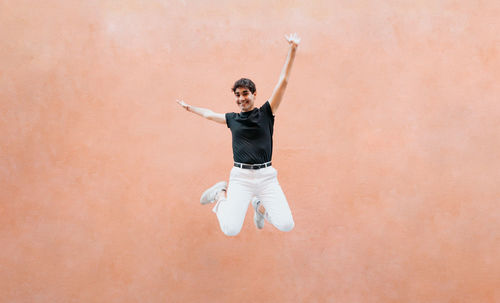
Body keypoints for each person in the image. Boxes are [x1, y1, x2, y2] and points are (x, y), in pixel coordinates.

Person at [177, 33, 300, 236]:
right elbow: (208, 114)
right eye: (237, 95)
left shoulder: (266, 113)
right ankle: (220, 194)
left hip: (266, 177)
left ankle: (260, 206)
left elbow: (283, 82)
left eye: (245, 93)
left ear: (254, 94)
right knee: (231, 229)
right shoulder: (232, 119)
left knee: (287, 224)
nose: (241, 98)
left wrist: (293, 49)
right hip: (241, 178)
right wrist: (190, 108)